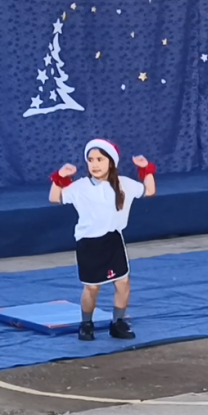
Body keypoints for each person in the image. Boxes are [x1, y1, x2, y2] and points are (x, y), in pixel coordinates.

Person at [49, 139, 156, 341]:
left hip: (113, 240)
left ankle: (118, 323)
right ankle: (86, 324)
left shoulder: (125, 184)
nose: (95, 164)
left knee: (123, 283)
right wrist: (60, 178)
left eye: (100, 159)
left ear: (111, 162)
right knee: (92, 287)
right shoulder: (81, 186)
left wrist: (146, 169)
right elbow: (55, 198)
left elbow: (149, 191)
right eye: (90, 160)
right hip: (89, 244)